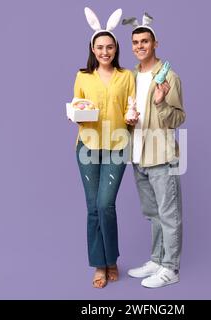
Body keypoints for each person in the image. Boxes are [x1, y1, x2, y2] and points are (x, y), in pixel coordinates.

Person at [72, 7, 135, 289]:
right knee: (92, 208)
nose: (105, 51)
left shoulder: (127, 76)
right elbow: (78, 106)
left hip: (117, 146)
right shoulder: (83, 76)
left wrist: (133, 117)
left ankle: (113, 259)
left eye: (109, 47)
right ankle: (100, 263)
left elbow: (131, 109)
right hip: (87, 146)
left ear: (116, 48)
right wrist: (75, 113)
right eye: (100, 47)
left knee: (105, 204)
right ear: (93, 49)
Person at [122, 13, 186, 288]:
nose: (140, 46)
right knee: (153, 214)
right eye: (136, 42)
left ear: (155, 43)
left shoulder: (169, 76)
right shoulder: (132, 77)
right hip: (138, 156)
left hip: (162, 157)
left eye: (145, 41)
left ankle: (171, 268)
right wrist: (128, 120)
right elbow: (130, 111)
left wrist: (160, 103)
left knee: (169, 215)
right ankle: (157, 260)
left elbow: (178, 119)